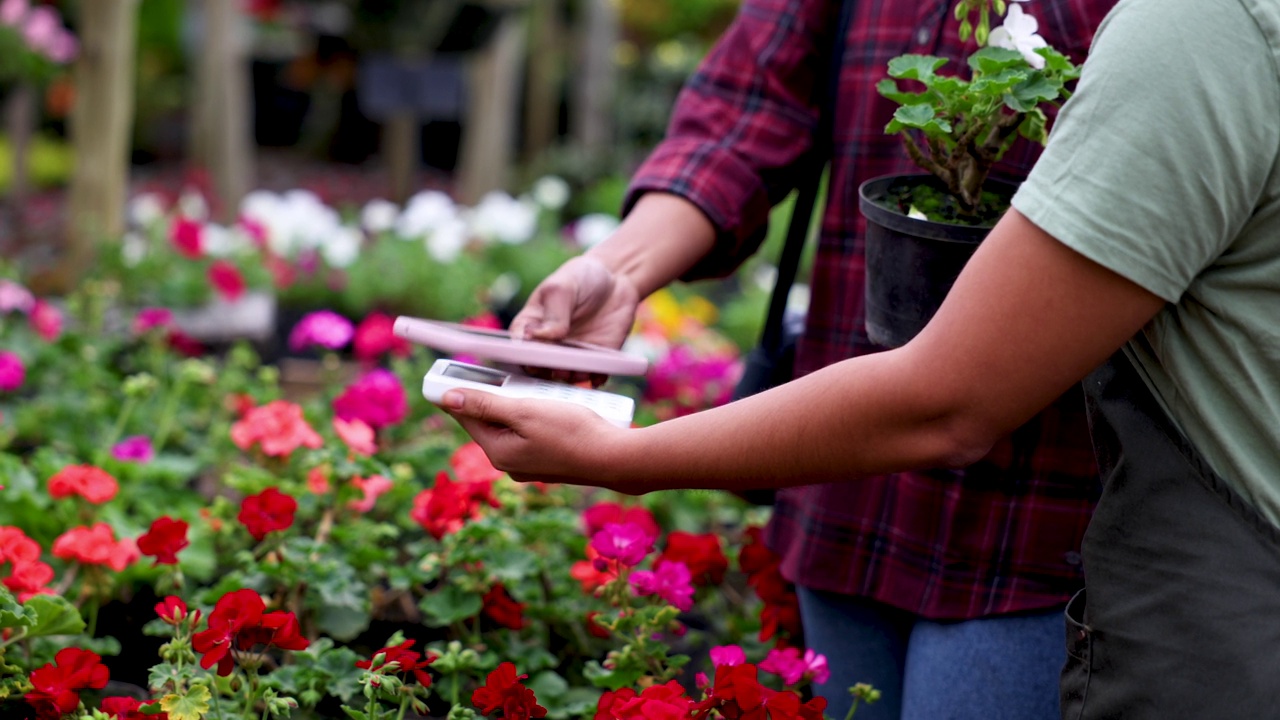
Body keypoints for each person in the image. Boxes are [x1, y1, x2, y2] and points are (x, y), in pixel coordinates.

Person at [442, 0, 1280, 715]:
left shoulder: (1193, 24)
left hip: (1047, 510)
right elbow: (747, 107)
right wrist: (618, 272)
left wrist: (622, 458)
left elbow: (959, 395)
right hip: (844, 475)